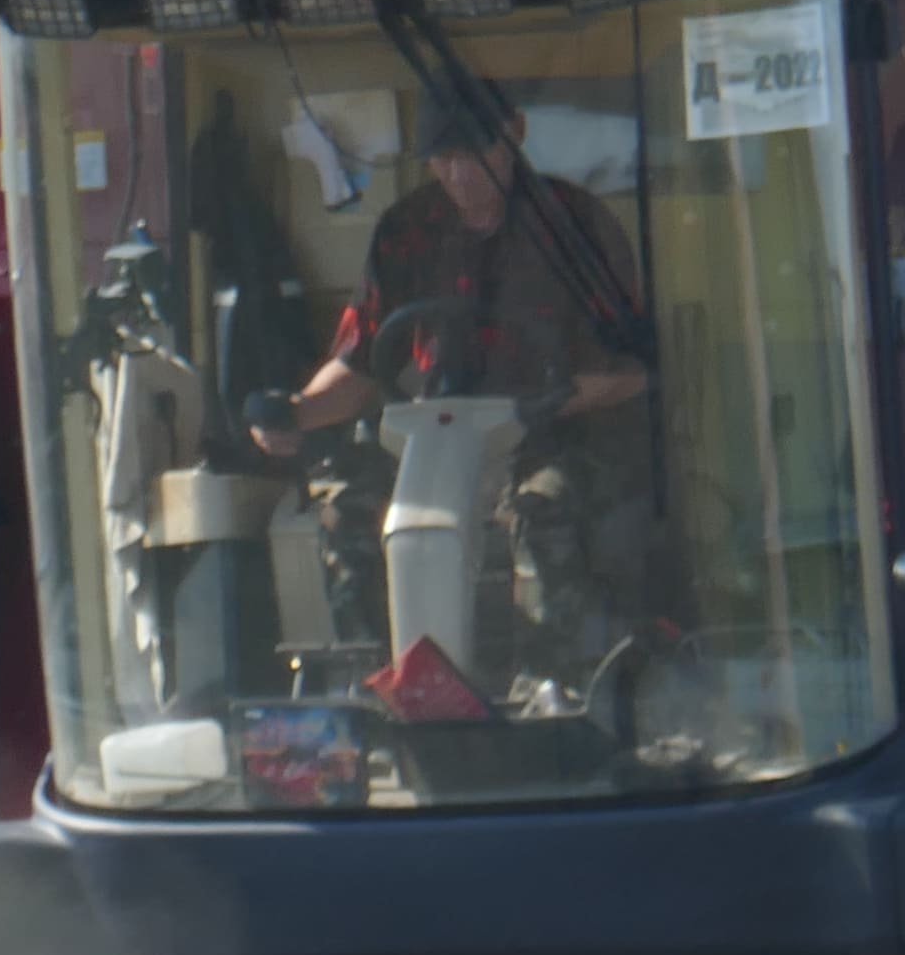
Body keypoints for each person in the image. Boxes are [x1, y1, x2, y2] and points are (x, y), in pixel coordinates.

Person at [243, 93, 663, 676]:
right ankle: (383, 688)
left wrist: (559, 397)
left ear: (514, 133)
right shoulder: (406, 230)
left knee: (543, 512)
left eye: (475, 153)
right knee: (347, 513)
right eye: (442, 159)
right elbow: (362, 358)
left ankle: (551, 692)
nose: (459, 174)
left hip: (555, 433)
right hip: (431, 438)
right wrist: (297, 414)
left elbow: (633, 372)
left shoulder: (577, 227)